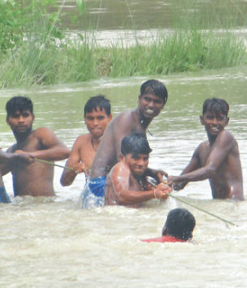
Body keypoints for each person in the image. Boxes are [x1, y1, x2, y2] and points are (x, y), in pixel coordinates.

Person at [85, 79, 169, 208]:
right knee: (141, 192)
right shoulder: (126, 120)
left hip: (111, 180)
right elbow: (125, 161)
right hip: (99, 185)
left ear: (163, 105)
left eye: (157, 101)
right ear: (139, 99)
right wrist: (153, 187)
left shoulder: (140, 123)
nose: (151, 105)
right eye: (147, 99)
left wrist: (153, 174)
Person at [168, 98, 244, 200]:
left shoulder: (226, 137)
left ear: (226, 121)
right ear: (202, 120)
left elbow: (210, 170)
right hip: (218, 203)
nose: (214, 122)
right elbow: (179, 184)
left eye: (219, 118)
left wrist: (176, 178)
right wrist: (162, 184)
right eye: (210, 117)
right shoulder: (202, 149)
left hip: (234, 204)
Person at [0, 96, 70, 197]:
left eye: (25, 115)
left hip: (46, 204)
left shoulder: (41, 135)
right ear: (8, 120)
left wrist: (30, 155)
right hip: (22, 205)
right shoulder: (11, 152)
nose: (21, 120)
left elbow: (65, 152)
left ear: (33, 118)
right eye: (16, 116)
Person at [105, 133, 172, 208]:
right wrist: (154, 193)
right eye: (136, 158)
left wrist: (163, 188)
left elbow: (151, 192)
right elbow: (121, 197)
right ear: (122, 157)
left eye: (145, 158)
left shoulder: (139, 172)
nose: (141, 163)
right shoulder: (120, 168)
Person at [60, 95, 112, 187]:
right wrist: (75, 170)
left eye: (100, 118)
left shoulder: (120, 140)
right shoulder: (81, 142)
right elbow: (64, 182)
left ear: (110, 118)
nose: (95, 123)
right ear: (85, 119)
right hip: (91, 193)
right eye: (90, 118)